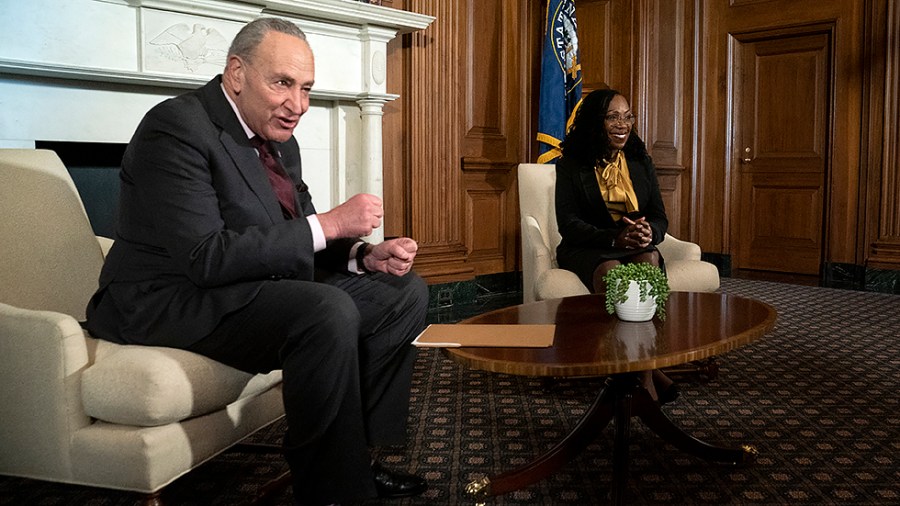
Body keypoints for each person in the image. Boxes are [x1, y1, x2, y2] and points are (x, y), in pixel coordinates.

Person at [85, 18, 427, 506]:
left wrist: (364, 256)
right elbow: (205, 257)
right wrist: (331, 223)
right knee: (324, 310)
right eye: (282, 83)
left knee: (403, 294)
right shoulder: (175, 128)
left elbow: (301, 229)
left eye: (306, 88)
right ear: (237, 73)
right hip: (167, 299)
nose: (299, 105)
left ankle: (357, 459)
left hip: (243, 285)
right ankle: (332, 493)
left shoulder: (278, 138)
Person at [554, 88, 678, 404]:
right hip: (589, 246)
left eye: (627, 116)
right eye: (613, 116)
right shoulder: (571, 164)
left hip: (634, 244)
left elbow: (660, 217)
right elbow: (568, 223)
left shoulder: (640, 161)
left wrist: (648, 231)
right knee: (612, 272)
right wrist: (613, 238)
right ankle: (644, 375)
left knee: (649, 260)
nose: (622, 124)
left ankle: (644, 374)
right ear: (598, 121)